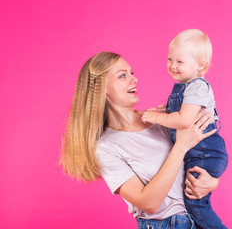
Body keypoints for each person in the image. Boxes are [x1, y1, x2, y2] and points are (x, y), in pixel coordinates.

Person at [60, 51, 221, 229]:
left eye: (132, 73)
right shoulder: (105, 147)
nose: (134, 79)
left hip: (200, 219)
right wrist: (181, 146)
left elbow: (199, 158)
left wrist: (212, 182)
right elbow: (149, 203)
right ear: (101, 89)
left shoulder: (160, 119)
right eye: (122, 75)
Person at [142, 29, 228, 229]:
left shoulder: (198, 86)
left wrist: (158, 117)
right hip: (196, 151)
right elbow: (184, 112)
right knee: (191, 205)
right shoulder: (185, 85)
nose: (172, 65)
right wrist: (168, 110)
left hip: (206, 153)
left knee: (196, 204)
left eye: (179, 62)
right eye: (170, 59)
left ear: (200, 65)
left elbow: (184, 120)